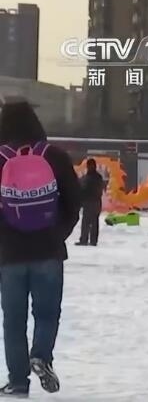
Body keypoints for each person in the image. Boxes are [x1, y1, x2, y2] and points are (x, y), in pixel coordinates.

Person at [0, 100, 81, 397]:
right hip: (48, 250)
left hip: (9, 254)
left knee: (13, 321)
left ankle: (18, 381)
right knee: (47, 313)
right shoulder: (54, 156)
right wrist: (58, 233)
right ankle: (41, 356)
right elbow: (74, 200)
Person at [76, 158, 105, 246]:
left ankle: (85, 240)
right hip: (94, 202)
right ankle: (91, 240)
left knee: (88, 221)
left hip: (91, 202)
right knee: (92, 222)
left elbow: (84, 189)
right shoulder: (96, 177)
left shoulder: (90, 178)